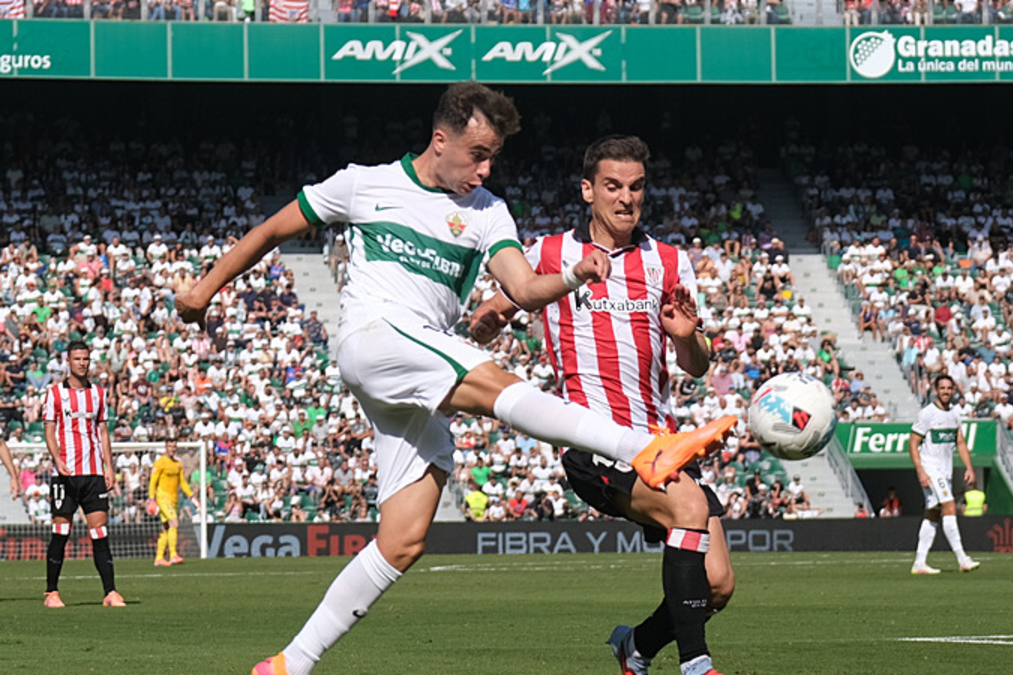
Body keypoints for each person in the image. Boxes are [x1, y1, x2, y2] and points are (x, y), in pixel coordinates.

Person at [173, 83, 733, 675]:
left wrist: (572, 277)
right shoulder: (364, 183)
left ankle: (291, 661)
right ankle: (644, 448)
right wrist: (204, 290)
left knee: (404, 538)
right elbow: (271, 231)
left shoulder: (488, 211)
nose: (485, 169)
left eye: (493, 157)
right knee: (493, 383)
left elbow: (521, 289)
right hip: (377, 338)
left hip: (414, 379)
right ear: (440, 140)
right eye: (478, 154)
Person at [471, 135, 732, 675]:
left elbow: (698, 362)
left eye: (636, 187)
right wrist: (492, 314)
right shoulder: (549, 254)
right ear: (588, 189)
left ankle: (634, 647)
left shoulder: (667, 260)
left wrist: (685, 335)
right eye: (613, 186)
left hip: (664, 443)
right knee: (689, 511)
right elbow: (503, 303)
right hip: (595, 441)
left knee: (718, 584)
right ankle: (697, 666)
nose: (626, 198)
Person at [42, 341, 125, 608]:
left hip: (93, 474)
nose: (82, 363)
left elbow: (102, 432)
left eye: (86, 359)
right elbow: (49, 430)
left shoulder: (98, 394)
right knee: (61, 530)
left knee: (99, 532)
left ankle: (110, 592)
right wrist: (57, 460)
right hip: (65, 473)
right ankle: (52, 592)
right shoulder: (55, 394)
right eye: (77, 359)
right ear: (68, 361)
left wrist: (109, 467)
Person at [909, 374, 980, 574]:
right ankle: (962, 558)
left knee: (932, 513)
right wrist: (921, 471)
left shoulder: (955, 414)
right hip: (930, 469)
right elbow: (913, 444)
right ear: (936, 390)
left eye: (949, 388)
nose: (946, 391)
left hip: (945, 470)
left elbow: (960, 442)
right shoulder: (927, 414)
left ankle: (919, 562)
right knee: (949, 506)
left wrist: (969, 467)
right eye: (942, 388)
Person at [148, 438, 200, 566]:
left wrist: (191, 496)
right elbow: (153, 482)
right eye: (170, 446)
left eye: (174, 446)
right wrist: (151, 499)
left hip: (174, 499)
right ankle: (173, 554)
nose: (173, 449)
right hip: (163, 498)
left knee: (166, 528)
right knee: (174, 523)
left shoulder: (178, 463)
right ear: (166, 447)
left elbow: (182, 482)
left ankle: (159, 558)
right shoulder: (160, 463)